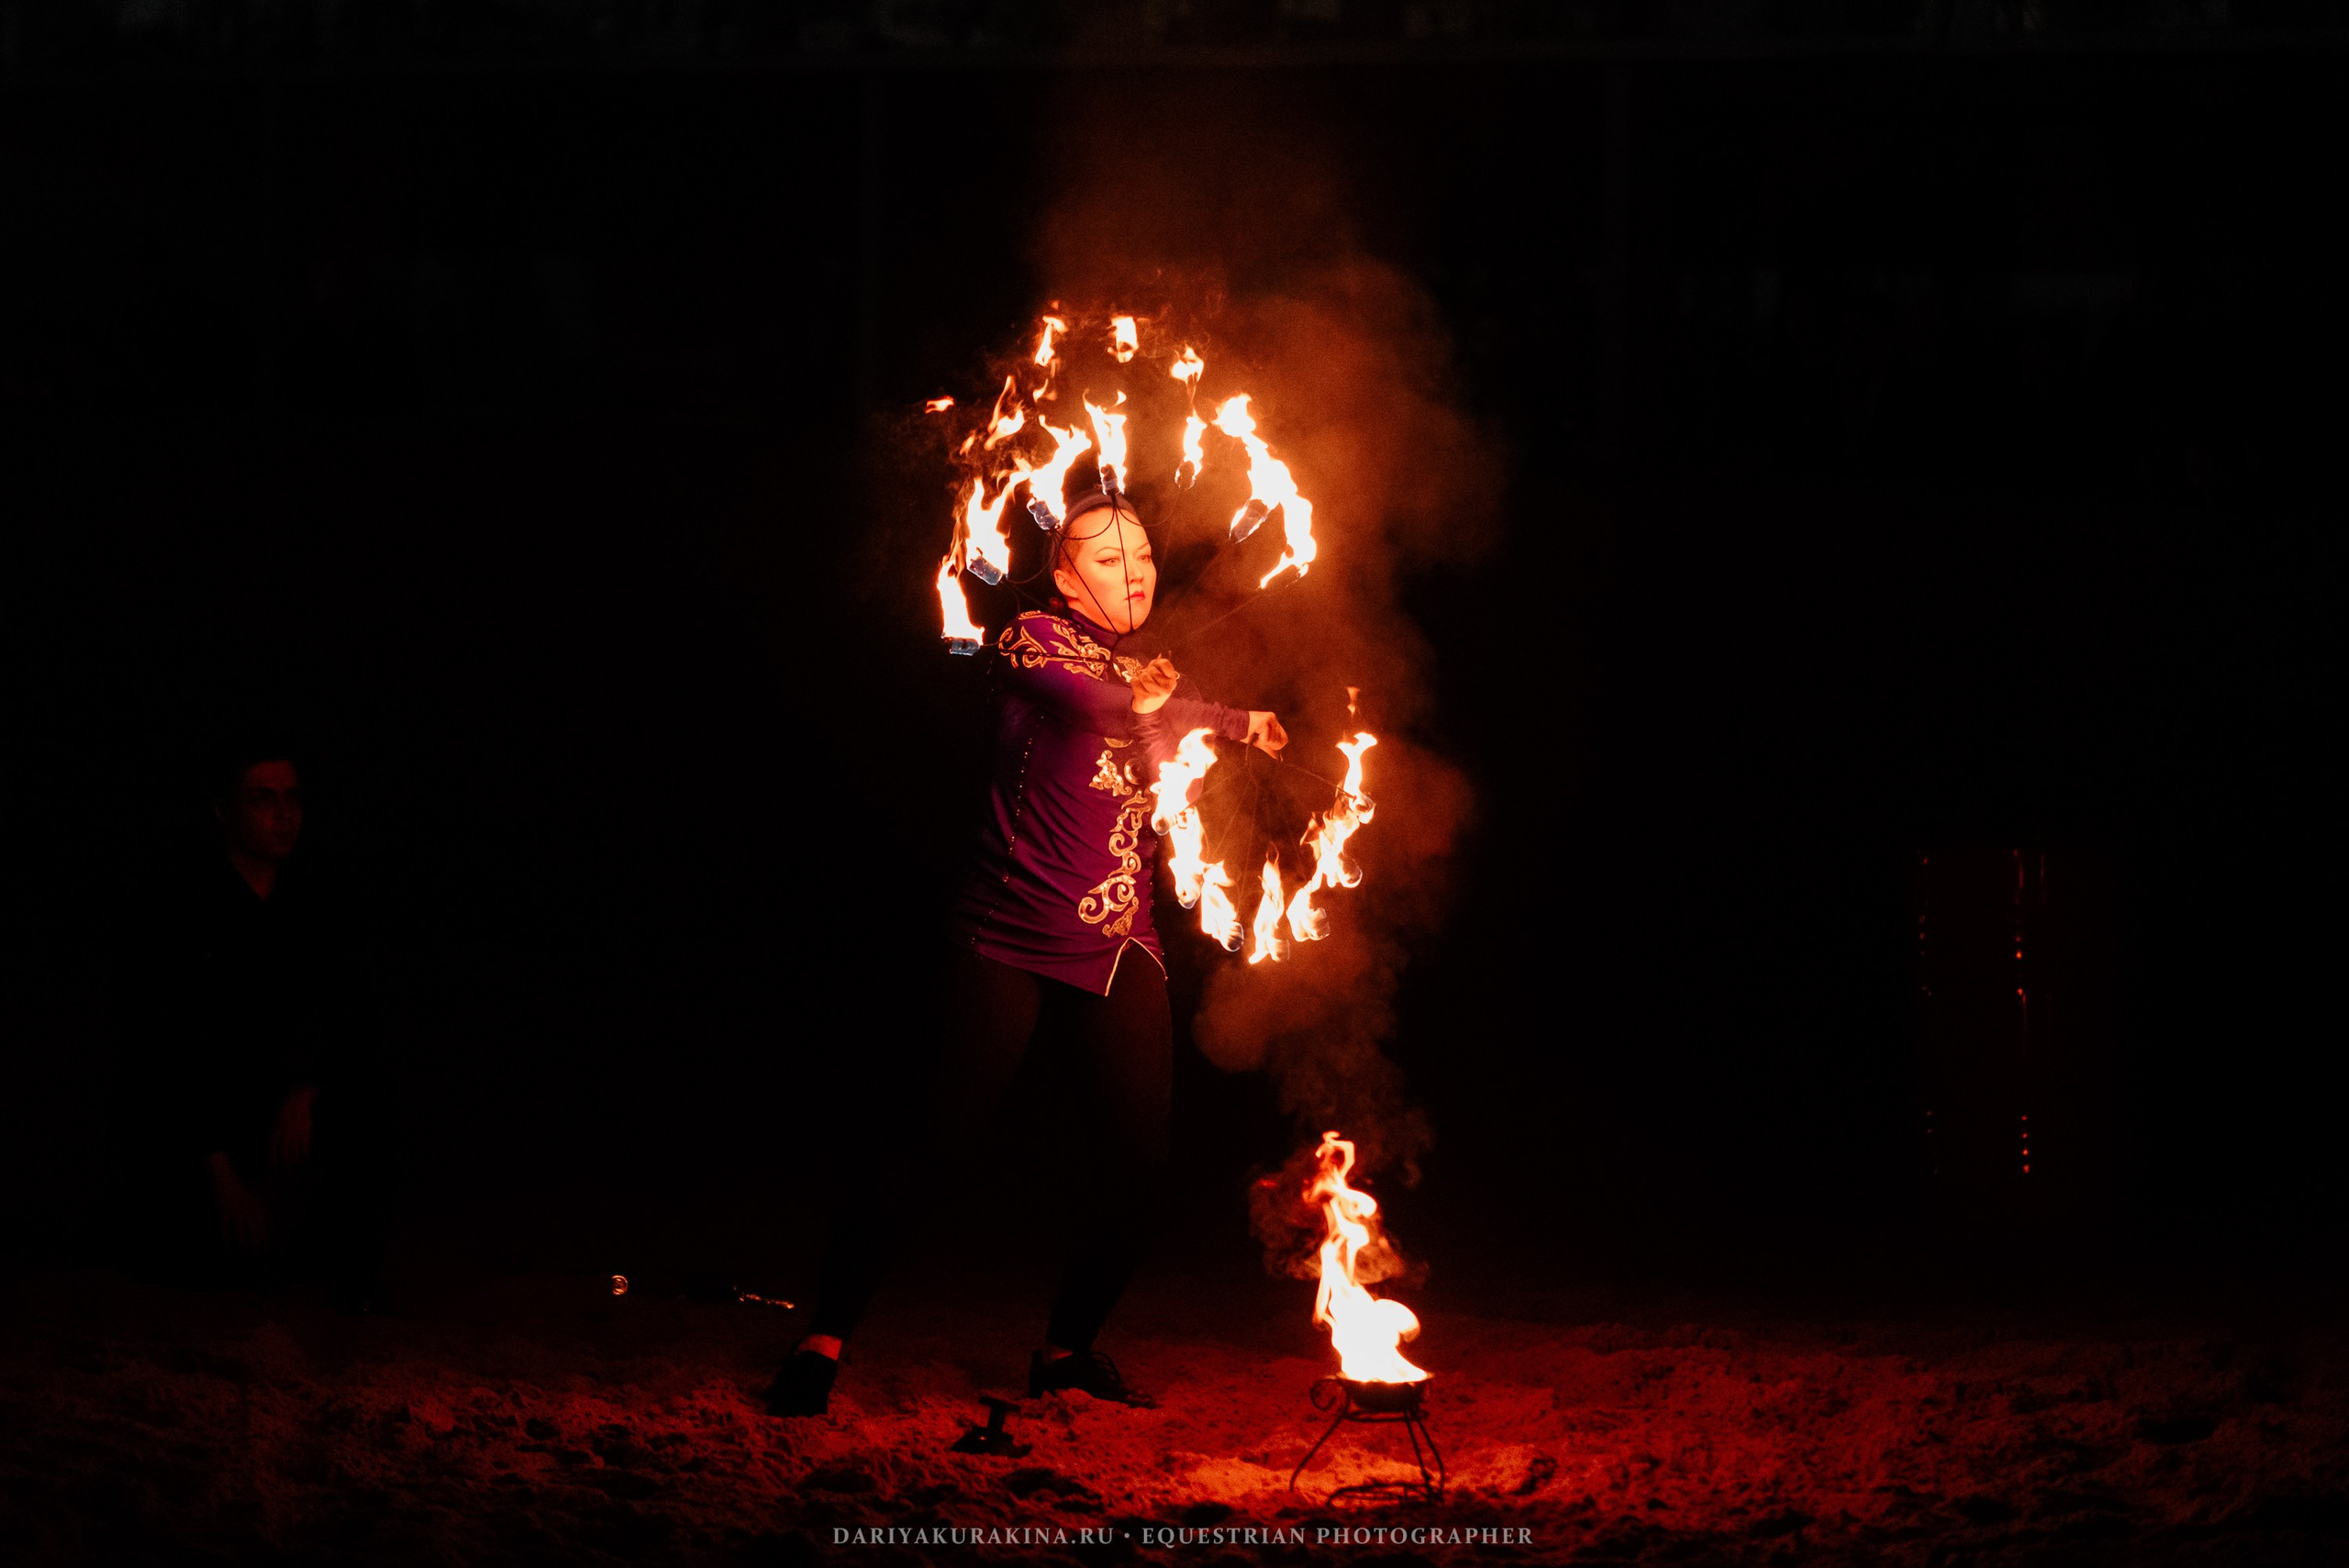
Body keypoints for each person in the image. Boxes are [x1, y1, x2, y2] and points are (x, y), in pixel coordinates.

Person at [764, 487, 1286, 1416]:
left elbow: (1169, 712)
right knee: (933, 1142)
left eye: (1144, 558)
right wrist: (1178, 698)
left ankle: (1065, 1350)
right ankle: (823, 1335)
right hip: (1005, 933)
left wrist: (1242, 720)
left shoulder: (1144, 669)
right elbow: (1095, 704)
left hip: (1120, 937)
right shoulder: (1029, 644)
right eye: (1109, 558)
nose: (1134, 574)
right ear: (1064, 574)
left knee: (1139, 1163)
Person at [132, 747, 385, 1300]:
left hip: (283, 1124)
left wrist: (306, 1090)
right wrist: (219, 1173)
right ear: (223, 810)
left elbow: (349, 1013)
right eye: (262, 798)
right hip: (206, 1136)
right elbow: (166, 1048)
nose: (284, 814)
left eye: (293, 798)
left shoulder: (316, 905)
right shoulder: (185, 908)